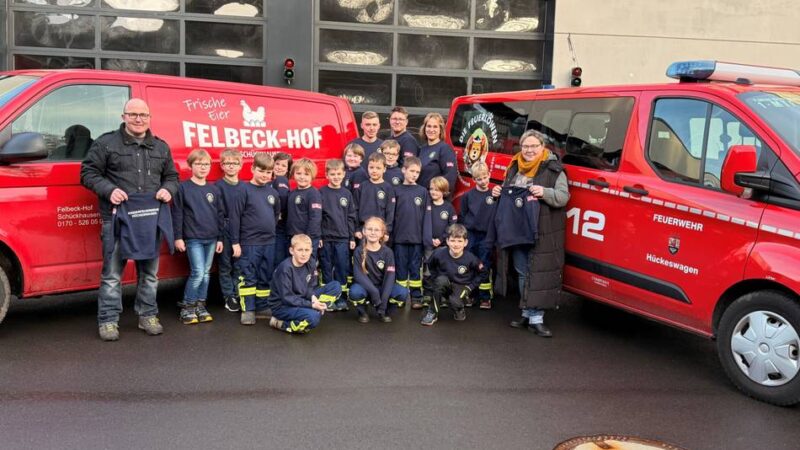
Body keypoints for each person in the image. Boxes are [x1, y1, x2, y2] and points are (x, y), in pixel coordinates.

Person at [80, 98, 179, 341]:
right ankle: (108, 321)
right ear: (123, 116)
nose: (138, 119)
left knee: (150, 275)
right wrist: (109, 190)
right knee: (112, 275)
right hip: (116, 220)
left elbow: (172, 177)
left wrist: (168, 189)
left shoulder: (161, 147)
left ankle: (148, 316)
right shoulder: (106, 143)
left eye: (143, 115)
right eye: (133, 114)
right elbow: (88, 173)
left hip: (149, 222)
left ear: (149, 117)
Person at [491, 129, 569, 338]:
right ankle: (526, 313)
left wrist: (545, 192)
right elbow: (508, 191)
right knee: (522, 272)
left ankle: (536, 318)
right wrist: (498, 192)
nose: (529, 150)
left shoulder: (554, 170)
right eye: (526, 146)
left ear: (542, 147)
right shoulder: (514, 166)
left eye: (534, 146)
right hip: (517, 229)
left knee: (537, 272)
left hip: (542, 230)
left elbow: (563, 197)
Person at [228, 152, 281, 326]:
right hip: (249, 243)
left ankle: (262, 306)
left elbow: (275, 215)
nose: (265, 175)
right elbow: (234, 218)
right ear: (252, 169)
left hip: (269, 242)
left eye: (268, 172)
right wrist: (235, 242)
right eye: (261, 171)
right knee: (248, 277)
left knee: (265, 276)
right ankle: (248, 309)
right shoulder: (243, 190)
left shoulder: (273, 193)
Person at [172, 149, 224, 324]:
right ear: (190, 166)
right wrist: (178, 237)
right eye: (199, 164)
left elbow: (220, 215)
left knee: (206, 274)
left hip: (212, 238)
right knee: (198, 272)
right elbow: (177, 213)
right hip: (193, 238)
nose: (203, 167)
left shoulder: (213, 189)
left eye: (206, 164)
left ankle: (200, 305)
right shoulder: (183, 188)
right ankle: (187, 307)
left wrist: (220, 238)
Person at [268, 234, 341, 334]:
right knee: (313, 318)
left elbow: (311, 286)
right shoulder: (285, 269)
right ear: (291, 251)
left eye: (307, 250)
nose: (304, 254)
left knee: (336, 287)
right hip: (283, 306)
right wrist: (311, 305)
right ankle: (281, 323)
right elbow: (287, 298)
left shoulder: (310, 263)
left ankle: (317, 308)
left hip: (302, 298)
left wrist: (313, 298)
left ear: (311, 250)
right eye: (300, 250)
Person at [421, 224, 485, 326]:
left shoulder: (471, 258)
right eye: (452, 241)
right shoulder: (439, 253)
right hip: (445, 283)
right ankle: (432, 312)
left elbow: (483, 273)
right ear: (447, 241)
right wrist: (435, 278)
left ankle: (459, 309)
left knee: (455, 302)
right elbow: (430, 264)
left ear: (465, 243)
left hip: (462, 286)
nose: (456, 244)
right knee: (440, 281)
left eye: (460, 241)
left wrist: (470, 287)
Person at [350, 217, 409, 323]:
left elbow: (390, 278)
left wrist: (383, 303)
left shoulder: (388, 252)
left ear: (382, 233)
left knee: (402, 292)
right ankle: (363, 312)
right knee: (355, 292)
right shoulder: (358, 251)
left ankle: (384, 312)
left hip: (383, 287)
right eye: (369, 229)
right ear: (364, 231)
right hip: (366, 288)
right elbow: (358, 275)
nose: (373, 232)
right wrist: (375, 293)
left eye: (376, 230)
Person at [319, 159, 357, 312]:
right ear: (327, 175)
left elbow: (351, 217)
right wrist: (319, 236)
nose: (336, 177)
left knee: (342, 267)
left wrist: (351, 237)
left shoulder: (346, 194)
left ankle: (341, 298)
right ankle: (327, 299)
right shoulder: (321, 192)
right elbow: (318, 217)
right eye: (333, 174)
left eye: (339, 174)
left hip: (342, 238)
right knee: (326, 268)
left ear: (343, 174)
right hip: (326, 238)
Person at [458, 161, 496, 309]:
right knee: (470, 264)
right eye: (479, 179)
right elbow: (463, 214)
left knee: (484, 265)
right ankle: (471, 295)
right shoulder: (467, 196)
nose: (483, 181)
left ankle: (485, 297)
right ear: (474, 179)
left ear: (489, 175)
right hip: (471, 235)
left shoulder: (494, 195)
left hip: (486, 236)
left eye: (485, 177)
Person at [392, 156, 428, 309]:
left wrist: (425, 238)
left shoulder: (422, 191)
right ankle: (400, 296)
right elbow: (392, 215)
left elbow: (426, 216)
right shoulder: (396, 190)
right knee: (400, 269)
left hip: (416, 239)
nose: (414, 175)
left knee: (415, 269)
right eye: (412, 171)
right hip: (399, 238)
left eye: (417, 172)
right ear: (403, 170)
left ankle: (416, 297)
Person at [216, 148, 246, 313]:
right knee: (225, 264)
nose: (231, 166)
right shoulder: (218, 187)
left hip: (242, 228)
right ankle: (229, 296)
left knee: (239, 264)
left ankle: (238, 292)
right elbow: (217, 214)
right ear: (222, 165)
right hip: (225, 227)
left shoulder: (244, 187)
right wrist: (220, 236)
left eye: (235, 163)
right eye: (227, 163)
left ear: (241, 165)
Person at [286, 158, 323, 260]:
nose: (302, 177)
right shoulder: (292, 193)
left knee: (307, 265)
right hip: (293, 237)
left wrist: (307, 238)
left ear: (312, 176)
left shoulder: (313, 194)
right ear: (293, 174)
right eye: (298, 173)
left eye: (306, 174)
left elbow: (315, 218)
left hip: (307, 239)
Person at [353, 152, 396, 238]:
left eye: (378, 168)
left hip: (380, 231)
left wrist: (386, 231)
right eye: (371, 167)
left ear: (384, 169)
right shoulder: (362, 186)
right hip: (363, 230)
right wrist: (357, 229)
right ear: (367, 168)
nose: (374, 171)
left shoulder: (388, 188)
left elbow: (390, 212)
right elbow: (355, 209)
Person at [417, 112, 457, 196]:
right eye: (429, 126)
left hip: (435, 198)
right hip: (421, 196)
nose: (431, 130)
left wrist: (436, 196)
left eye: (435, 127)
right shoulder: (422, 149)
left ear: (440, 130)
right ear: (424, 128)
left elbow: (450, 178)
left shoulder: (445, 149)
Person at [272, 152, 293, 267]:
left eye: (283, 165)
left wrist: (278, 213)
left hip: (279, 226)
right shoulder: (272, 181)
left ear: (288, 170)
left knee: (277, 258)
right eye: (277, 164)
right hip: (276, 227)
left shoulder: (281, 180)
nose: (279, 167)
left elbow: (283, 197)